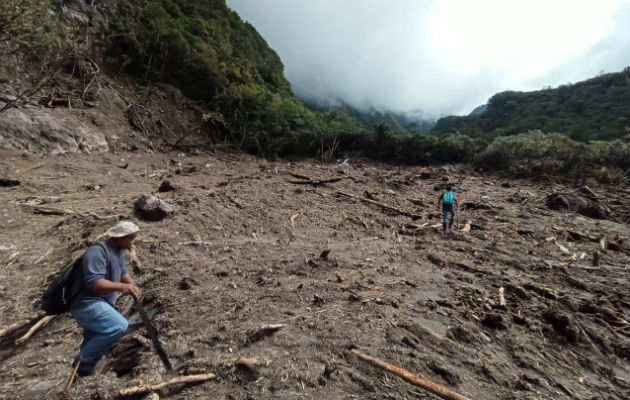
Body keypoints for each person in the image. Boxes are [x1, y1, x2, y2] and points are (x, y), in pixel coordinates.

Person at [70, 221, 141, 377]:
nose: (132, 242)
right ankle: (82, 367)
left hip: (102, 303)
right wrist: (122, 287)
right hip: (86, 304)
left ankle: (79, 377)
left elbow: (122, 272)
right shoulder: (97, 252)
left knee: (92, 339)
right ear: (119, 237)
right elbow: (94, 283)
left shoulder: (119, 251)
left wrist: (131, 285)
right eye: (130, 238)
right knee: (118, 325)